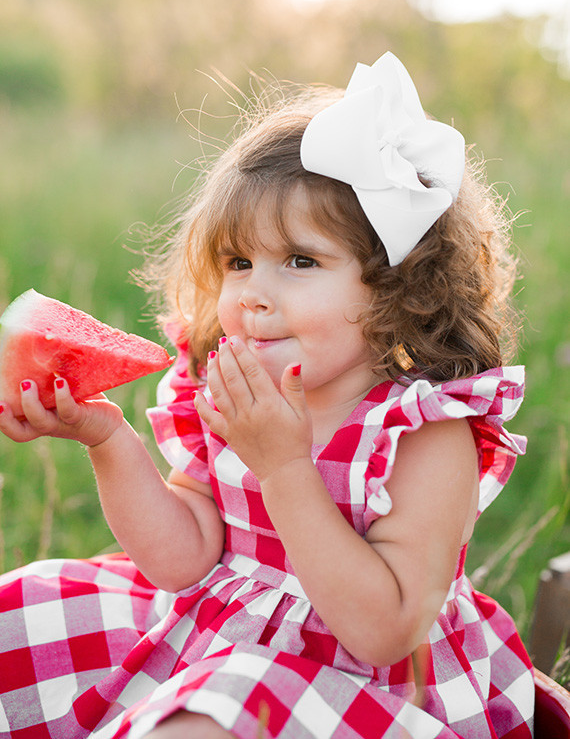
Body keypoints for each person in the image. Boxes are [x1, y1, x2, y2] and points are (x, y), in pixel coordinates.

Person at [0, 52, 534, 738]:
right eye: (239, 262)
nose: (254, 291)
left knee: (220, 704)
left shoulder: (424, 436)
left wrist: (284, 467)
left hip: (368, 694)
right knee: (25, 607)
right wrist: (106, 438)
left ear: (397, 287)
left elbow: (384, 631)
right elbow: (181, 559)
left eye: (301, 261)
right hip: (216, 648)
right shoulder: (228, 394)